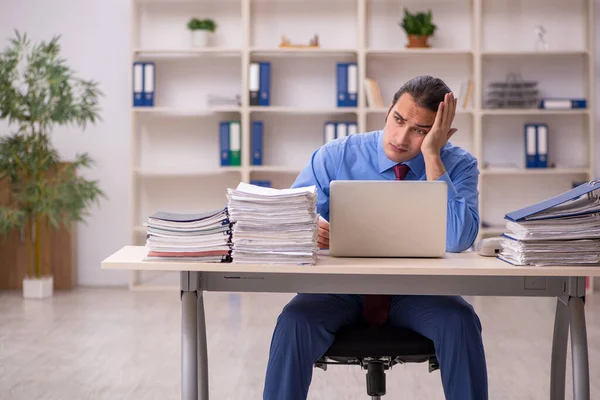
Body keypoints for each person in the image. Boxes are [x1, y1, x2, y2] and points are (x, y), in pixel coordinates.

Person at [262, 75, 488, 400]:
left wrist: (433, 156)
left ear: (438, 133)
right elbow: (288, 216)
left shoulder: (459, 164)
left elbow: (457, 239)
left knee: (461, 322)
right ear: (388, 111)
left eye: (420, 130)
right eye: (398, 119)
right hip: (340, 289)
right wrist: (312, 227)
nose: (401, 136)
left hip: (418, 291)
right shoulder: (337, 155)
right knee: (294, 322)